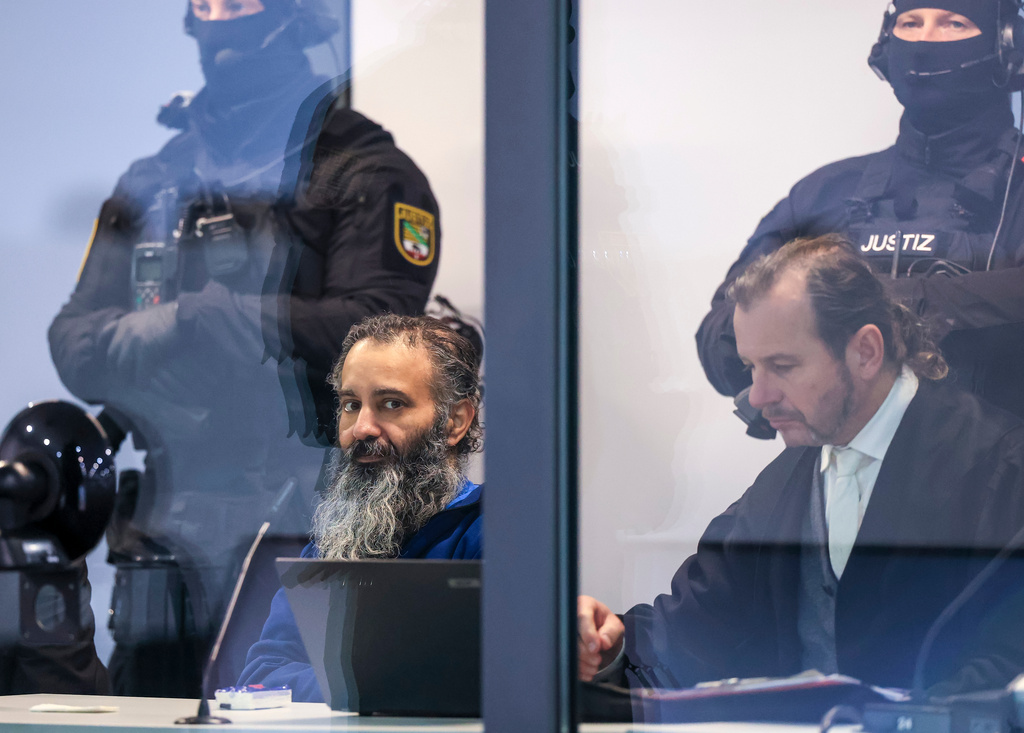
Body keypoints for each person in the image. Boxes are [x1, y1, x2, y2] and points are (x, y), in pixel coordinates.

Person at [47, 0, 440, 697]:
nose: (222, 20)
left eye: (243, 2)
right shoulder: (156, 178)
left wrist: (217, 320)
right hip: (167, 527)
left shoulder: (367, 173)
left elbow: (381, 331)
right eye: (207, 3)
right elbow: (74, 339)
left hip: (305, 523)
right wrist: (150, 333)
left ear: (295, 14)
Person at [580, 235, 1024, 700]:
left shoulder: (1004, 473)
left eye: (782, 365)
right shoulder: (783, 485)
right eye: (752, 367)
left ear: (866, 352)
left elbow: (1007, 667)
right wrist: (609, 641)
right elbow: (695, 628)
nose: (757, 395)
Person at [697, 0, 1024, 421]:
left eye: (953, 23)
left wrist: (885, 303)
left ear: (1006, 44)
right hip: (837, 472)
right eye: (910, 22)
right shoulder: (826, 191)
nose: (924, 40)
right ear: (888, 41)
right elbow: (720, 338)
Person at [237, 313, 483, 702]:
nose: (362, 428)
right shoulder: (336, 539)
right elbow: (263, 675)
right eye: (351, 404)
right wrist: (373, 689)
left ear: (454, 421)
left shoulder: (492, 534)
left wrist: (348, 686)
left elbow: (509, 678)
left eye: (391, 403)